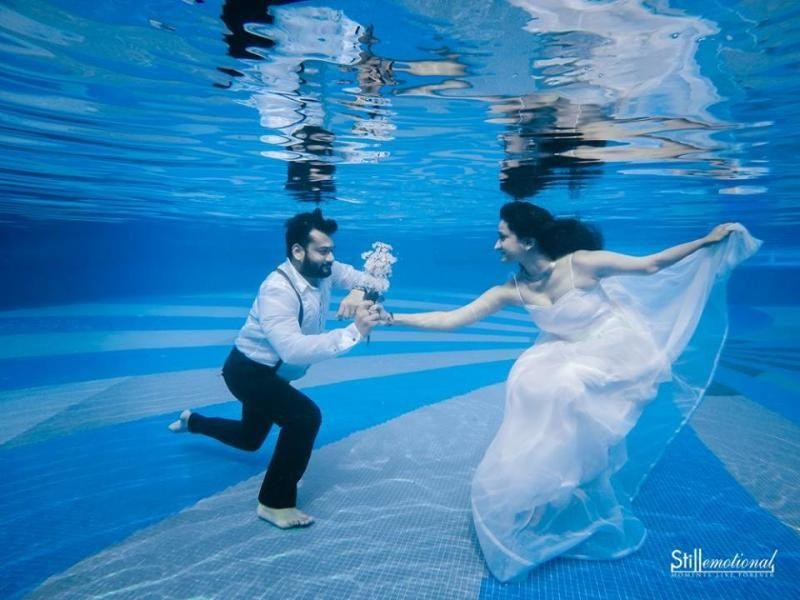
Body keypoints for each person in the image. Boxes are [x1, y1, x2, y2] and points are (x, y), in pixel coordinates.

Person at [380, 201, 760, 581]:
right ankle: (550, 480)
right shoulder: (512, 289)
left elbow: (651, 265)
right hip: (566, 348)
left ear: (527, 241)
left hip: (614, 346)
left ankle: (573, 477)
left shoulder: (581, 263)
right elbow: (451, 319)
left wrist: (704, 242)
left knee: (564, 387)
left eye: (502, 237)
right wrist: (392, 318)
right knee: (528, 382)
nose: (496, 246)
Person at [169, 208, 384, 529]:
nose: (330, 258)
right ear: (298, 251)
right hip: (249, 372)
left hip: (275, 374)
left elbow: (376, 281)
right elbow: (293, 349)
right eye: (323, 251)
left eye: (332, 250)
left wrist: (359, 290)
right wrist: (355, 331)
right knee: (304, 417)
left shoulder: (326, 269)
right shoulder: (277, 290)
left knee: (249, 438)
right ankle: (274, 502)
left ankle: (193, 421)